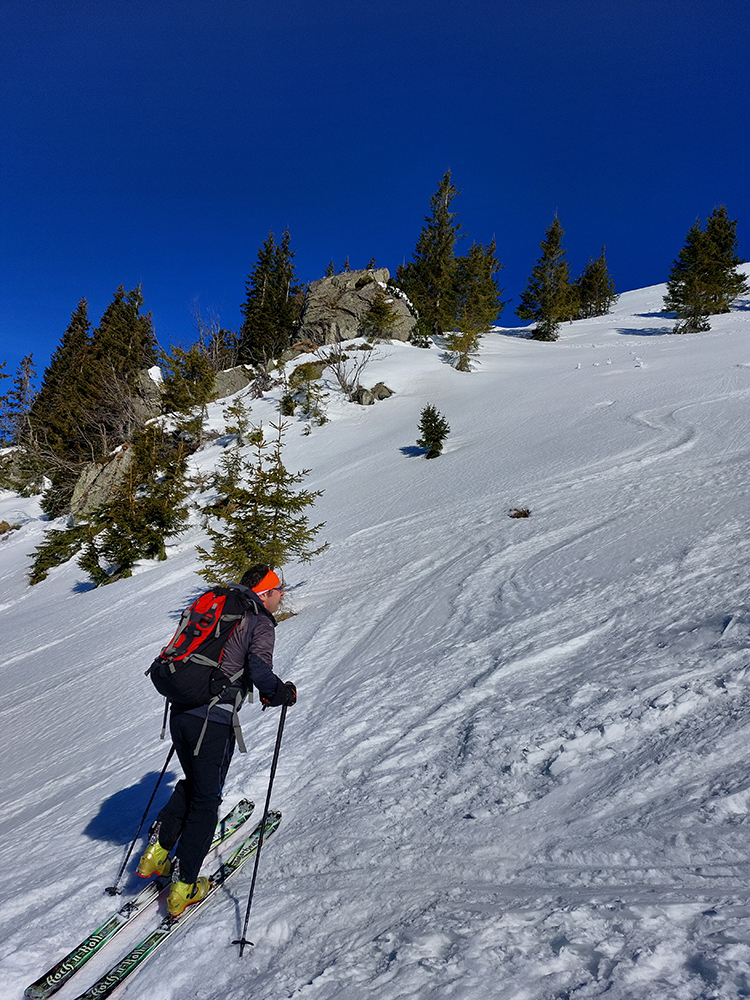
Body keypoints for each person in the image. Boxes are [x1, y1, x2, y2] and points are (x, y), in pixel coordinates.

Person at [136, 564, 297, 917]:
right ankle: (184, 885)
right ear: (266, 593)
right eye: (278, 589)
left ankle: (157, 853)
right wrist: (280, 693)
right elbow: (260, 669)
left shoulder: (220, 605)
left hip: (181, 711)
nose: (282, 594)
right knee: (207, 801)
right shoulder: (258, 620)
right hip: (212, 719)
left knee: (195, 784)